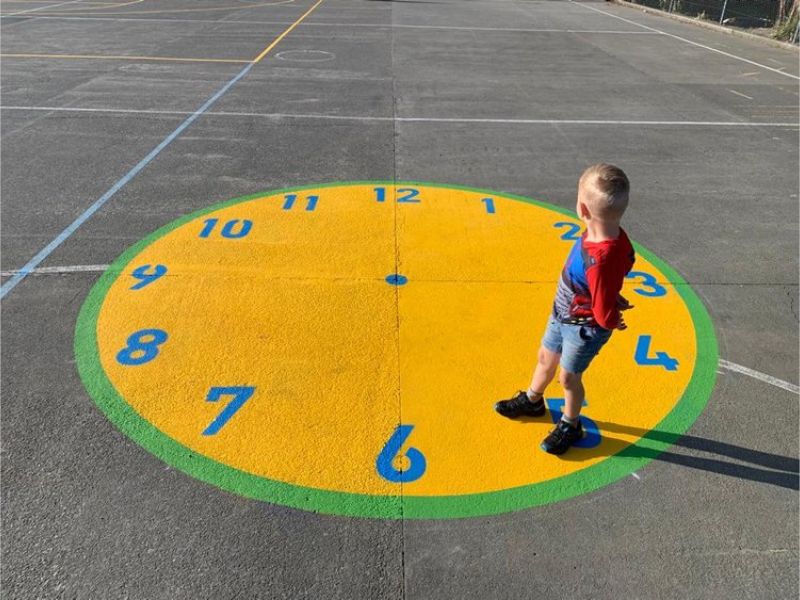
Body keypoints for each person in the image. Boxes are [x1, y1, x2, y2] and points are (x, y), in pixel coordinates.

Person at [495, 164, 636, 455]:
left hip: (582, 327)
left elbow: (604, 305)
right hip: (564, 314)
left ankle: (571, 424)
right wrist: (609, 295)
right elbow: (627, 262)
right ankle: (533, 401)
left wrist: (610, 313)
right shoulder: (608, 234)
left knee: (568, 379)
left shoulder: (601, 258)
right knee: (545, 356)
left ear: (583, 209)